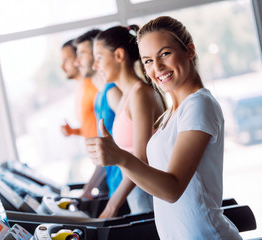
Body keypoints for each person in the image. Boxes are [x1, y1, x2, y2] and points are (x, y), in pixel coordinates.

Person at [85, 16, 242, 239]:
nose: (157, 67)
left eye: (165, 54)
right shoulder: (172, 113)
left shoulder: (199, 105)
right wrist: (116, 157)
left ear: (189, 51)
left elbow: (172, 189)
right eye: (147, 60)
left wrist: (121, 158)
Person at [91, 25, 167, 218]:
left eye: (99, 58)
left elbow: (141, 158)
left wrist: (111, 207)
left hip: (150, 198)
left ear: (119, 55)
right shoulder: (127, 95)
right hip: (138, 199)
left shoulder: (140, 94)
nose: (95, 66)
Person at [61, 31, 100, 138]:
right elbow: (91, 126)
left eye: (67, 60)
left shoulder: (95, 86)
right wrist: (73, 131)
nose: (63, 66)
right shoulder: (81, 89)